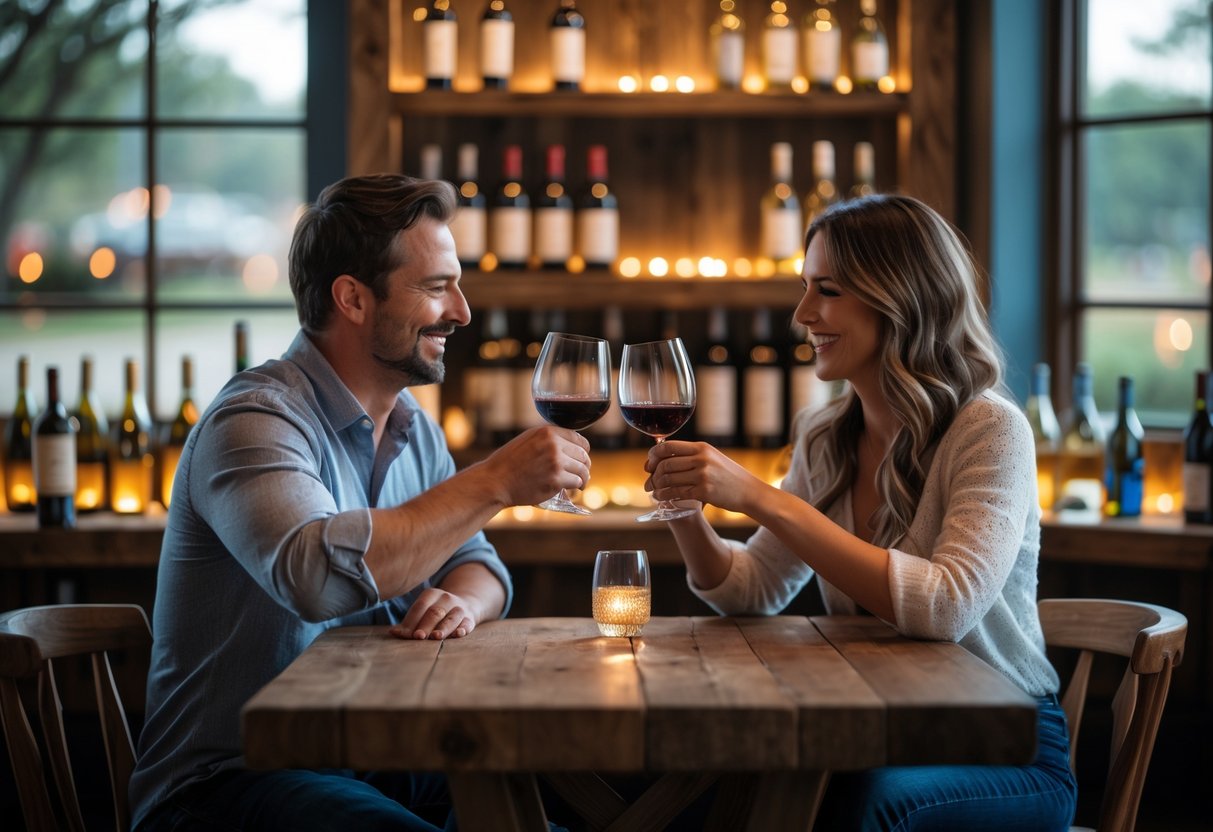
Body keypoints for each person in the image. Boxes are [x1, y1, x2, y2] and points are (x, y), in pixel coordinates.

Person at [131, 174, 592, 831]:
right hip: (222, 786)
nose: (461, 311)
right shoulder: (255, 420)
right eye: (436, 288)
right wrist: (494, 480)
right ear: (351, 297)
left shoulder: (416, 430)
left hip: (371, 758)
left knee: (529, 820)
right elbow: (316, 578)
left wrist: (461, 600)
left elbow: (480, 565)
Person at [644, 194, 1078, 831]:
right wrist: (684, 508)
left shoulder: (990, 431)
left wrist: (761, 497)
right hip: (879, 727)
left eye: (829, 290)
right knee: (717, 784)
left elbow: (945, 605)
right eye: (804, 287)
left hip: (1006, 744)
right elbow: (753, 588)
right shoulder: (825, 436)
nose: (803, 313)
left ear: (899, 297)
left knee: (866, 804)